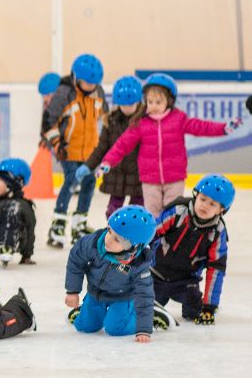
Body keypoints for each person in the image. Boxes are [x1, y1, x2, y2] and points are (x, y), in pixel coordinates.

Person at [96, 73, 242, 218]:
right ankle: (152, 241)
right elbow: (122, 144)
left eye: (158, 102)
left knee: (172, 213)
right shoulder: (141, 123)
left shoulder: (179, 119)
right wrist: (108, 161)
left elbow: (201, 127)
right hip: (150, 179)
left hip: (174, 177)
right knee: (152, 213)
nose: (153, 106)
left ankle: (170, 241)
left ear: (169, 101)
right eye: (150, 102)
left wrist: (223, 128)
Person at [64, 206, 164, 341]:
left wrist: (143, 328)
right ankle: (84, 313)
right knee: (85, 327)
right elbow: (76, 260)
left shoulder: (139, 264)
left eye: (117, 239)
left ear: (133, 246)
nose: (108, 239)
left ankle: (147, 316)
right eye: (109, 231)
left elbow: (144, 294)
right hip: (96, 293)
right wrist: (72, 291)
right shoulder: (93, 243)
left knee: (115, 329)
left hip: (123, 297)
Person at [41, 54, 107, 247]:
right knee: (71, 180)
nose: (91, 87)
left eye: (94, 83)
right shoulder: (64, 93)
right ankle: (58, 223)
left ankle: (79, 223)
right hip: (67, 149)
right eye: (87, 83)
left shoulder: (99, 92)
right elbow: (48, 122)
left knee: (89, 183)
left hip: (91, 151)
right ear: (76, 78)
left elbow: (107, 118)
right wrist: (56, 144)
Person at [151, 174, 233, 325]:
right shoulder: (177, 212)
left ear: (221, 210)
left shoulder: (218, 231)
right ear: (196, 196)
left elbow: (216, 268)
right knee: (146, 304)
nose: (205, 206)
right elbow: (151, 234)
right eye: (203, 199)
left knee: (194, 313)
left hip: (186, 282)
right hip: (156, 275)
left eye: (212, 204)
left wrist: (209, 307)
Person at [74, 75, 144, 221]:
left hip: (139, 177)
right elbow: (102, 147)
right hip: (117, 176)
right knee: (113, 212)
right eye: (122, 105)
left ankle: (134, 238)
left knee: (137, 211)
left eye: (130, 105)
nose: (126, 109)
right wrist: (88, 165)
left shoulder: (144, 121)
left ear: (138, 101)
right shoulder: (111, 121)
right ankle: (113, 235)